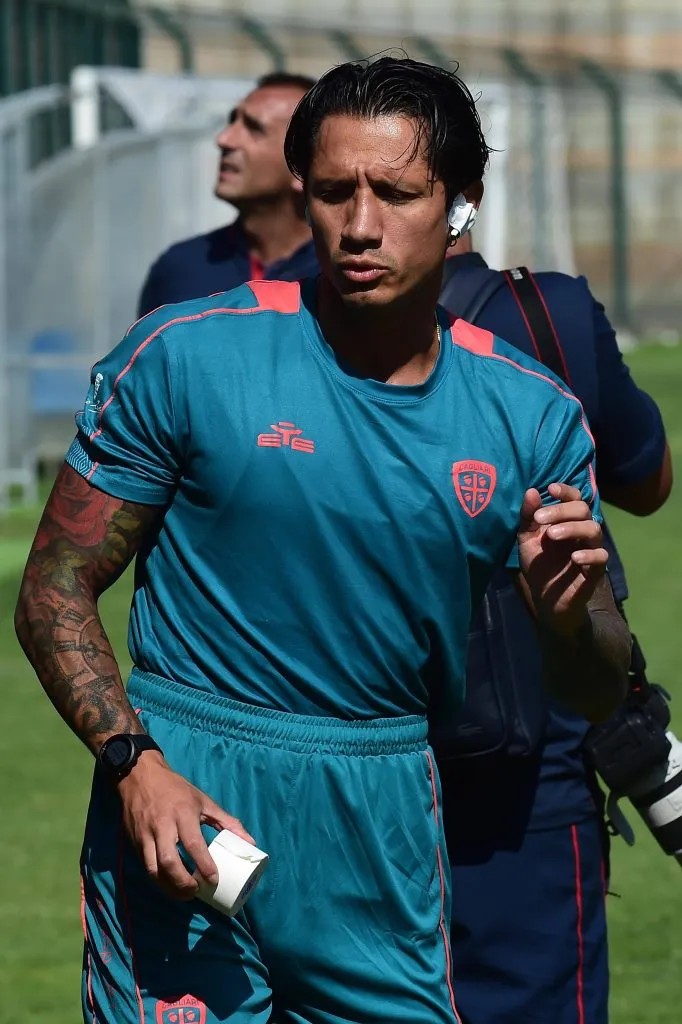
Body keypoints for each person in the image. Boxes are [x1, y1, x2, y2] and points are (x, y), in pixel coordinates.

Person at [15, 57, 631, 1024]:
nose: (361, 223)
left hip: (381, 809)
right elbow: (53, 587)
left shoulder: (530, 414)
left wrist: (570, 619)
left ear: (461, 203)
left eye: (398, 192)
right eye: (336, 190)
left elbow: (596, 682)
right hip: (189, 792)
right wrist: (137, 764)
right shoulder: (184, 354)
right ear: (302, 191)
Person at [436, 234, 672, 1024]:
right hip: (527, 761)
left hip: (462, 758)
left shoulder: (273, 319)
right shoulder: (552, 309)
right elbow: (647, 478)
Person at [137, 72, 318, 317]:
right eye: (233, 121)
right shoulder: (181, 268)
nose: (224, 139)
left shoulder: (341, 276)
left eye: (254, 128)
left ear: (302, 168)